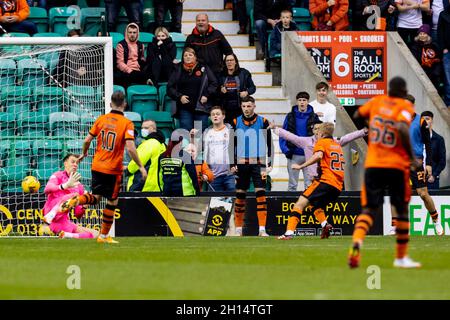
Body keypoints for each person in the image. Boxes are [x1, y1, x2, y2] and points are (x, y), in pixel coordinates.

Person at [348, 77, 421, 269]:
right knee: (402, 210)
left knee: (369, 210)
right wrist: (412, 157)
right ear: (404, 92)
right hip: (396, 165)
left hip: (373, 165)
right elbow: (403, 129)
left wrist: (372, 124)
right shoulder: (404, 106)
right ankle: (401, 257)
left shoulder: (377, 101)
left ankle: (357, 243)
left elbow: (356, 114)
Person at [58, 91, 148, 244]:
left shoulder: (101, 119)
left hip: (97, 165)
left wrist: (84, 154)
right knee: (112, 202)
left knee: (96, 198)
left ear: (110, 103)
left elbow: (87, 140)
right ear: (124, 104)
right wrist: (141, 166)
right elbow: (131, 148)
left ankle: (77, 200)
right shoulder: (127, 123)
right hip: (113, 169)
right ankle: (103, 236)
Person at [277, 122, 344, 240]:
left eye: (318, 133)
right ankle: (325, 225)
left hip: (325, 181)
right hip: (337, 186)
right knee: (315, 205)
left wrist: (300, 166)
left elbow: (318, 156)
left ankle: (288, 233)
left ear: (322, 133)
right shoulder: (336, 145)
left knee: (300, 204)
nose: (316, 135)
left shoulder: (321, 142)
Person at [274, 118, 367, 191]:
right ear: (313, 130)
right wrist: (275, 129)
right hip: (313, 179)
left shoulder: (333, 140)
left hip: (329, 178)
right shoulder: (306, 141)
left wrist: (363, 132)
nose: (318, 131)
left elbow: (346, 138)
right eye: (316, 129)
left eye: (319, 129)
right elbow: (291, 137)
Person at [401, 94, 443, 235]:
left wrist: (429, 163)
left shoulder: (421, 122)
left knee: (423, 194)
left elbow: (428, 144)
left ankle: (436, 221)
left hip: (416, 162)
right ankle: (396, 226)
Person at [232, 95, 273, 236]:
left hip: (259, 163)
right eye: (244, 106)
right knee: (240, 196)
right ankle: (238, 230)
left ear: (254, 106)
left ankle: (262, 229)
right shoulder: (235, 121)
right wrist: (232, 163)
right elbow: (232, 144)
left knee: (260, 195)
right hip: (242, 164)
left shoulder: (263, 121)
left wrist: (270, 161)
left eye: (249, 106)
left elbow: (269, 142)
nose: (246, 109)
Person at [40, 154, 98, 239]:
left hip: (61, 222)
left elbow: (77, 214)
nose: (75, 164)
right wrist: (65, 185)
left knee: (95, 234)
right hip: (51, 212)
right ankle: (50, 216)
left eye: (77, 163)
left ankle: (67, 235)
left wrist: (86, 203)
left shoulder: (79, 186)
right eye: (73, 162)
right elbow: (47, 189)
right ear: (65, 163)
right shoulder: (58, 175)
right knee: (74, 195)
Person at [167, 47, 218, 132]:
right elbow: (169, 87)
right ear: (183, 57)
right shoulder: (178, 69)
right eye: (185, 55)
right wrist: (179, 97)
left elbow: (214, 83)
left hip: (201, 108)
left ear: (195, 57)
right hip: (185, 109)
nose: (187, 57)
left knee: (199, 135)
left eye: (190, 55)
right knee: (186, 134)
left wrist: (206, 95)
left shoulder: (203, 68)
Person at [279, 91, 320, 191]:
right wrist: (286, 150)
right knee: (292, 185)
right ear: (297, 102)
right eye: (300, 100)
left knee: (309, 185)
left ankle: (309, 206)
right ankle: (291, 206)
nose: (302, 102)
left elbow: (320, 135)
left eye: (304, 100)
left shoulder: (314, 117)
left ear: (308, 102)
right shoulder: (290, 116)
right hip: (293, 154)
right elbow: (283, 134)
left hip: (309, 155)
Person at [126, 120, 167, 192]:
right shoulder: (163, 144)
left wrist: (127, 170)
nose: (143, 130)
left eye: (146, 128)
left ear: (153, 129)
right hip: (158, 187)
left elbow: (137, 161)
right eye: (142, 128)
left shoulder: (149, 144)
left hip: (143, 186)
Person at [203, 106, 236, 192]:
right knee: (214, 203)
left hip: (230, 174)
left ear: (223, 116)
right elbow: (202, 152)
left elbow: (238, 148)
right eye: (213, 114)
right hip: (213, 176)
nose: (215, 116)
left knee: (234, 201)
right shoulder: (206, 133)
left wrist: (236, 164)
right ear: (210, 117)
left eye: (218, 114)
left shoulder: (230, 131)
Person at [219, 53, 256, 124]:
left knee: (239, 130)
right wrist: (220, 90)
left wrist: (247, 92)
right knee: (230, 131)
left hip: (240, 108)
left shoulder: (244, 73)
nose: (229, 62)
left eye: (231, 60)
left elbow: (253, 88)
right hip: (226, 108)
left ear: (235, 62)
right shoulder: (221, 74)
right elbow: (216, 89)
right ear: (225, 63)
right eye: (227, 61)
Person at [115, 23, 148, 88]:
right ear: (126, 33)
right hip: (126, 71)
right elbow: (119, 63)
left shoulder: (141, 45)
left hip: (138, 71)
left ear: (137, 33)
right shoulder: (121, 45)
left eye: (134, 32)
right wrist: (130, 71)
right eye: (130, 32)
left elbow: (141, 58)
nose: (132, 34)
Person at [410, 24, 442, 90]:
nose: (422, 35)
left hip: (433, 74)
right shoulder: (414, 46)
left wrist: (435, 73)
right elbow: (414, 60)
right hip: (420, 73)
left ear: (428, 35)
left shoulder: (434, 46)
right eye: (420, 34)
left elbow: (439, 60)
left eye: (424, 33)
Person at [421, 111, 446, 189]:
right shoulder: (417, 137)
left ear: (432, 120)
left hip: (431, 179)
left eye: (427, 119)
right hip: (417, 177)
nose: (425, 121)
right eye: (423, 119)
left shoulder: (439, 139)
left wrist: (434, 175)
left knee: (431, 200)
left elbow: (442, 161)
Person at [437, 1, 450, 107]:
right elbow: (440, 32)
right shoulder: (443, 14)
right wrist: (444, 48)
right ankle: (448, 103)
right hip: (447, 51)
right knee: (448, 79)